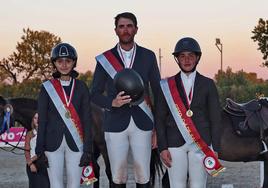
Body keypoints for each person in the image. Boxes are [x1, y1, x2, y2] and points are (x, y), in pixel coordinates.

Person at [91, 12, 161, 188]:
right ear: (116, 30)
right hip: (115, 123)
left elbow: (159, 93)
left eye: (129, 26)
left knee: (143, 175)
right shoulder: (104, 59)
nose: (125, 30)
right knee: (118, 176)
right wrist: (111, 103)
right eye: (121, 26)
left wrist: (157, 129)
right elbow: (94, 94)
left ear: (136, 29)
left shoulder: (148, 56)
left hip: (143, 123)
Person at [155, 37, 225, 188]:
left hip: (201, 143)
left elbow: (215, 118)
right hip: (174, 143)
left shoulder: (208, 84)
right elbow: (159, 118)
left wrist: (215, 148)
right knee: (177, 185)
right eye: (182, 56)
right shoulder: (166, 86)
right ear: (177, 59)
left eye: (191, 56)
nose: (186, 60)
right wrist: (162, 147)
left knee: (198, 185)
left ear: (197, 58)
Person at [35, 43, 93, 188]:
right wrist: (39, 149)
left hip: (76, 142)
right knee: (56, 185)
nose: (64, 65)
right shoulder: (46, 88)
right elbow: (42, 120)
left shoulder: (81, 87)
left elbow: (87, 119)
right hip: (51, 143)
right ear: (54, 63)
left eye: (68, 60)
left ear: (74, 62)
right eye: (60, 61)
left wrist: (88, 149)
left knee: (75, 185)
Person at [24, 112, 50, 188]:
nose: (37, 120)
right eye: (35, 118)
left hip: (45, 165)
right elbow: (26, 150)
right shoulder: (29, 134)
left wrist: (33, 159)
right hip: (32, 165)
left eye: (39, 118)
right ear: (33, 120)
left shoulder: (48, 133)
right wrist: (30, 164)